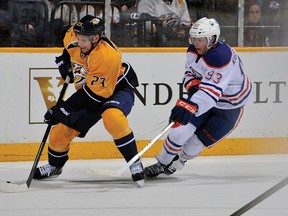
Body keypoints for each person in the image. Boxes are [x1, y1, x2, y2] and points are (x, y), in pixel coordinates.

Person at [33, 15, 145, 188]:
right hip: (90, 90)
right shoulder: (73, 37)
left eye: (84, 39)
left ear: (96, 38)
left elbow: (95, 95)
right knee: (59, 133)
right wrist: (64, 63)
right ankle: (55, 166)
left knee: (112, 117)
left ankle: (134, 162)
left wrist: (64, 108)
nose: (79, 42)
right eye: (78, 38)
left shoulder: (107, 56)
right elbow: (67, 50)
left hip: (117, 88)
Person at [144, 17, 253, 178]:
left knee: (195, 143)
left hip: (230, 107)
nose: (196, 43)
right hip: (204, 99)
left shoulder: (221, 58)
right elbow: (189, 74)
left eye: (200, 39)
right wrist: (194, 88)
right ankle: (162, 163)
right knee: (178, 132)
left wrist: (190, 106)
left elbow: (210, 94)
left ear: (212, 39)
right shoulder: (193, 51)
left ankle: (178, 162)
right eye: (194, 39)